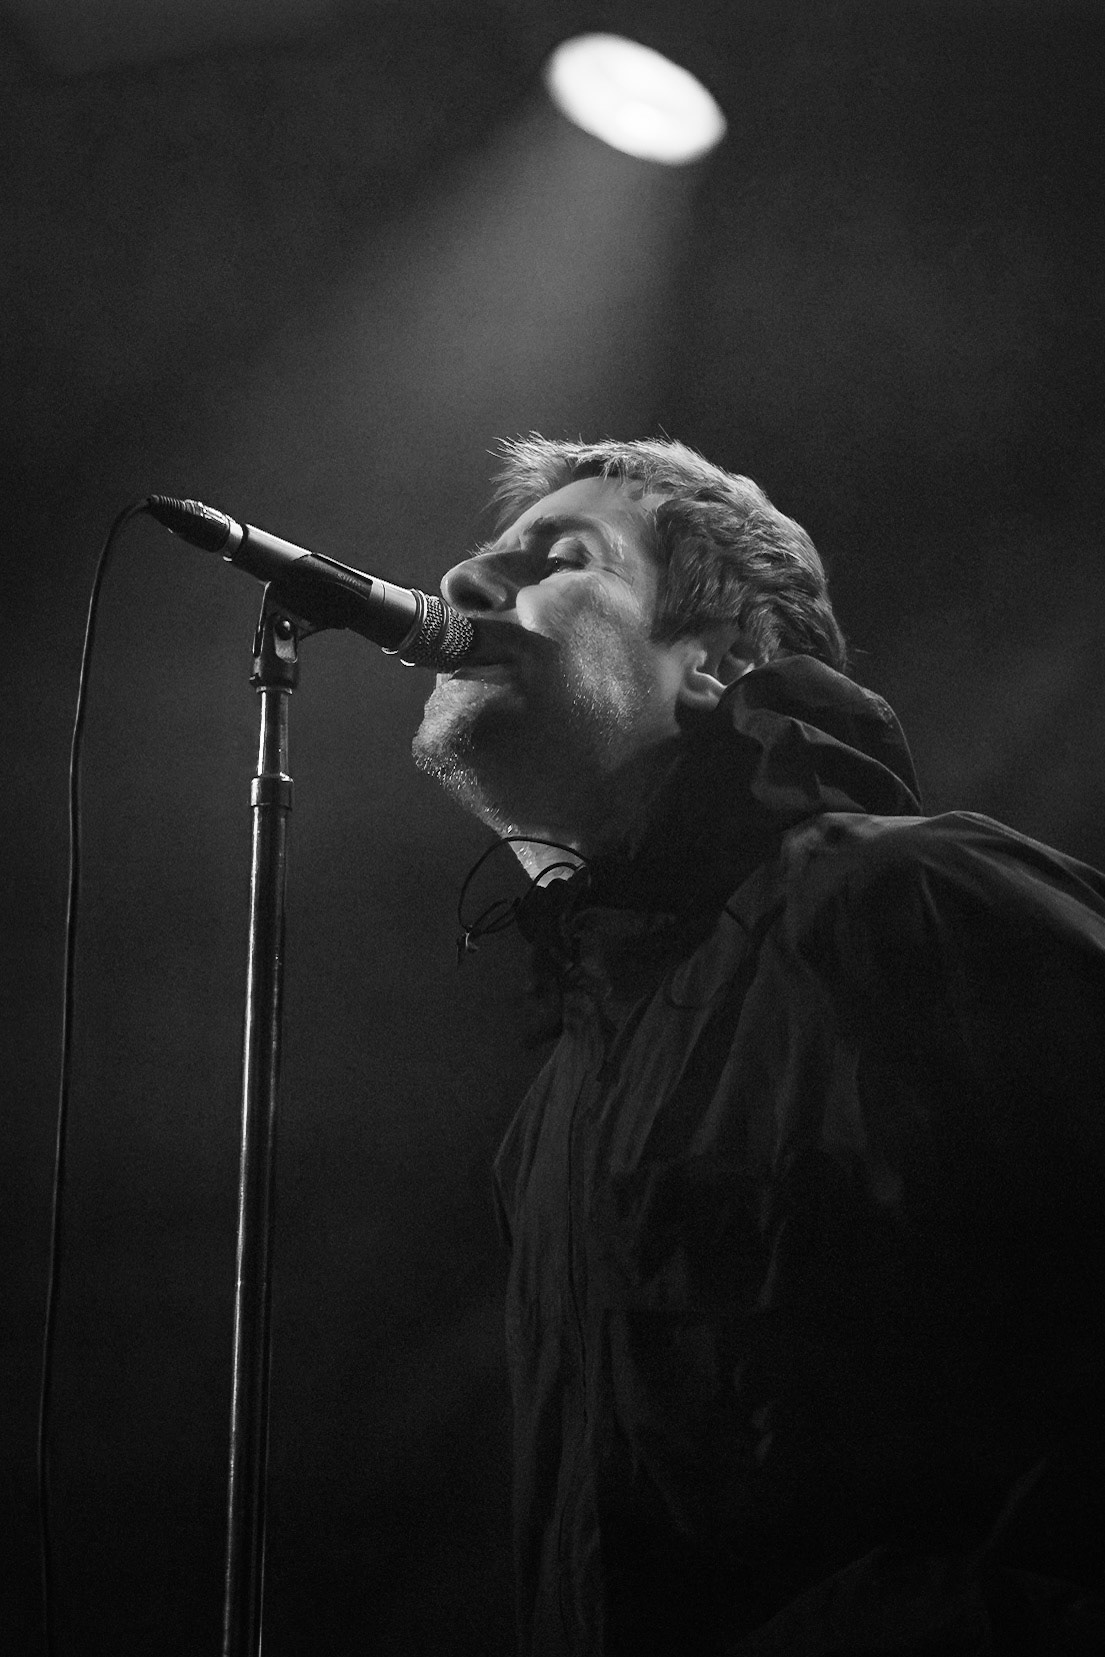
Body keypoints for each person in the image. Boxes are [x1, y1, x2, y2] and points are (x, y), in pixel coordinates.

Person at [411, 436, 1105, 1657]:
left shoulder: (908, 899)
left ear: (719, 663)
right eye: (486, 556)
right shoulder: (550, 1119)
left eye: (558, 557)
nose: (465, 580)